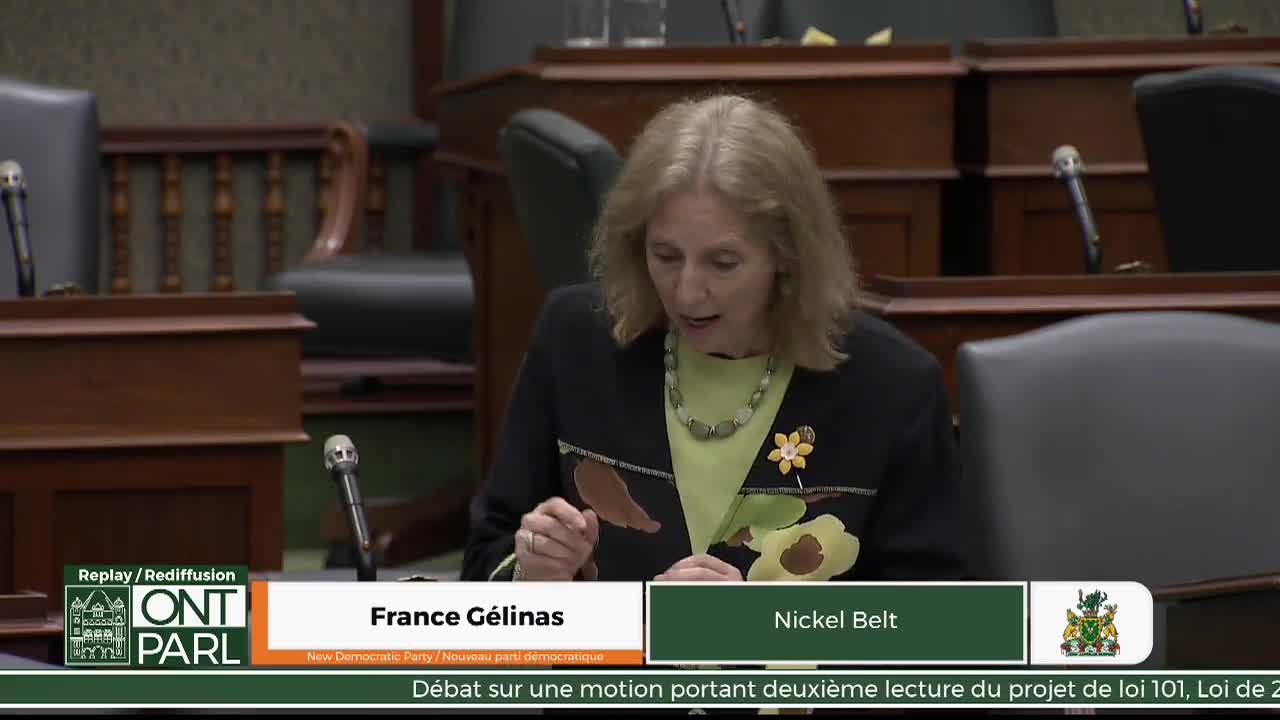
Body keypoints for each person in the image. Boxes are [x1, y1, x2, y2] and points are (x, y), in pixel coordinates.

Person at [463, 94, 965, 584]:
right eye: (665, 256)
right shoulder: (576, 341)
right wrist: (532, 575)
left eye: (722, 263)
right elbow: (484, 561)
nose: (686, 292)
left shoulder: (892, 386)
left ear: (786, 255)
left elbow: (940, 623)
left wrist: (754, 626)